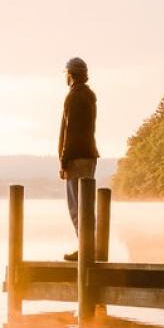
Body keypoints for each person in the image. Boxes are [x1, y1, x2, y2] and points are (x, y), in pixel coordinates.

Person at [59, 57, 99, 261]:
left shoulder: (73, 97)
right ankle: (89, 247)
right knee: (87, 204)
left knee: (77, 206)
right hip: (90, 155)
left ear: (71, 74)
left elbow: (70, 132)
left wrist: (63, 160)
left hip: (76, 157)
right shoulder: (90, 96)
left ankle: (85, 249)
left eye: (66, 72)